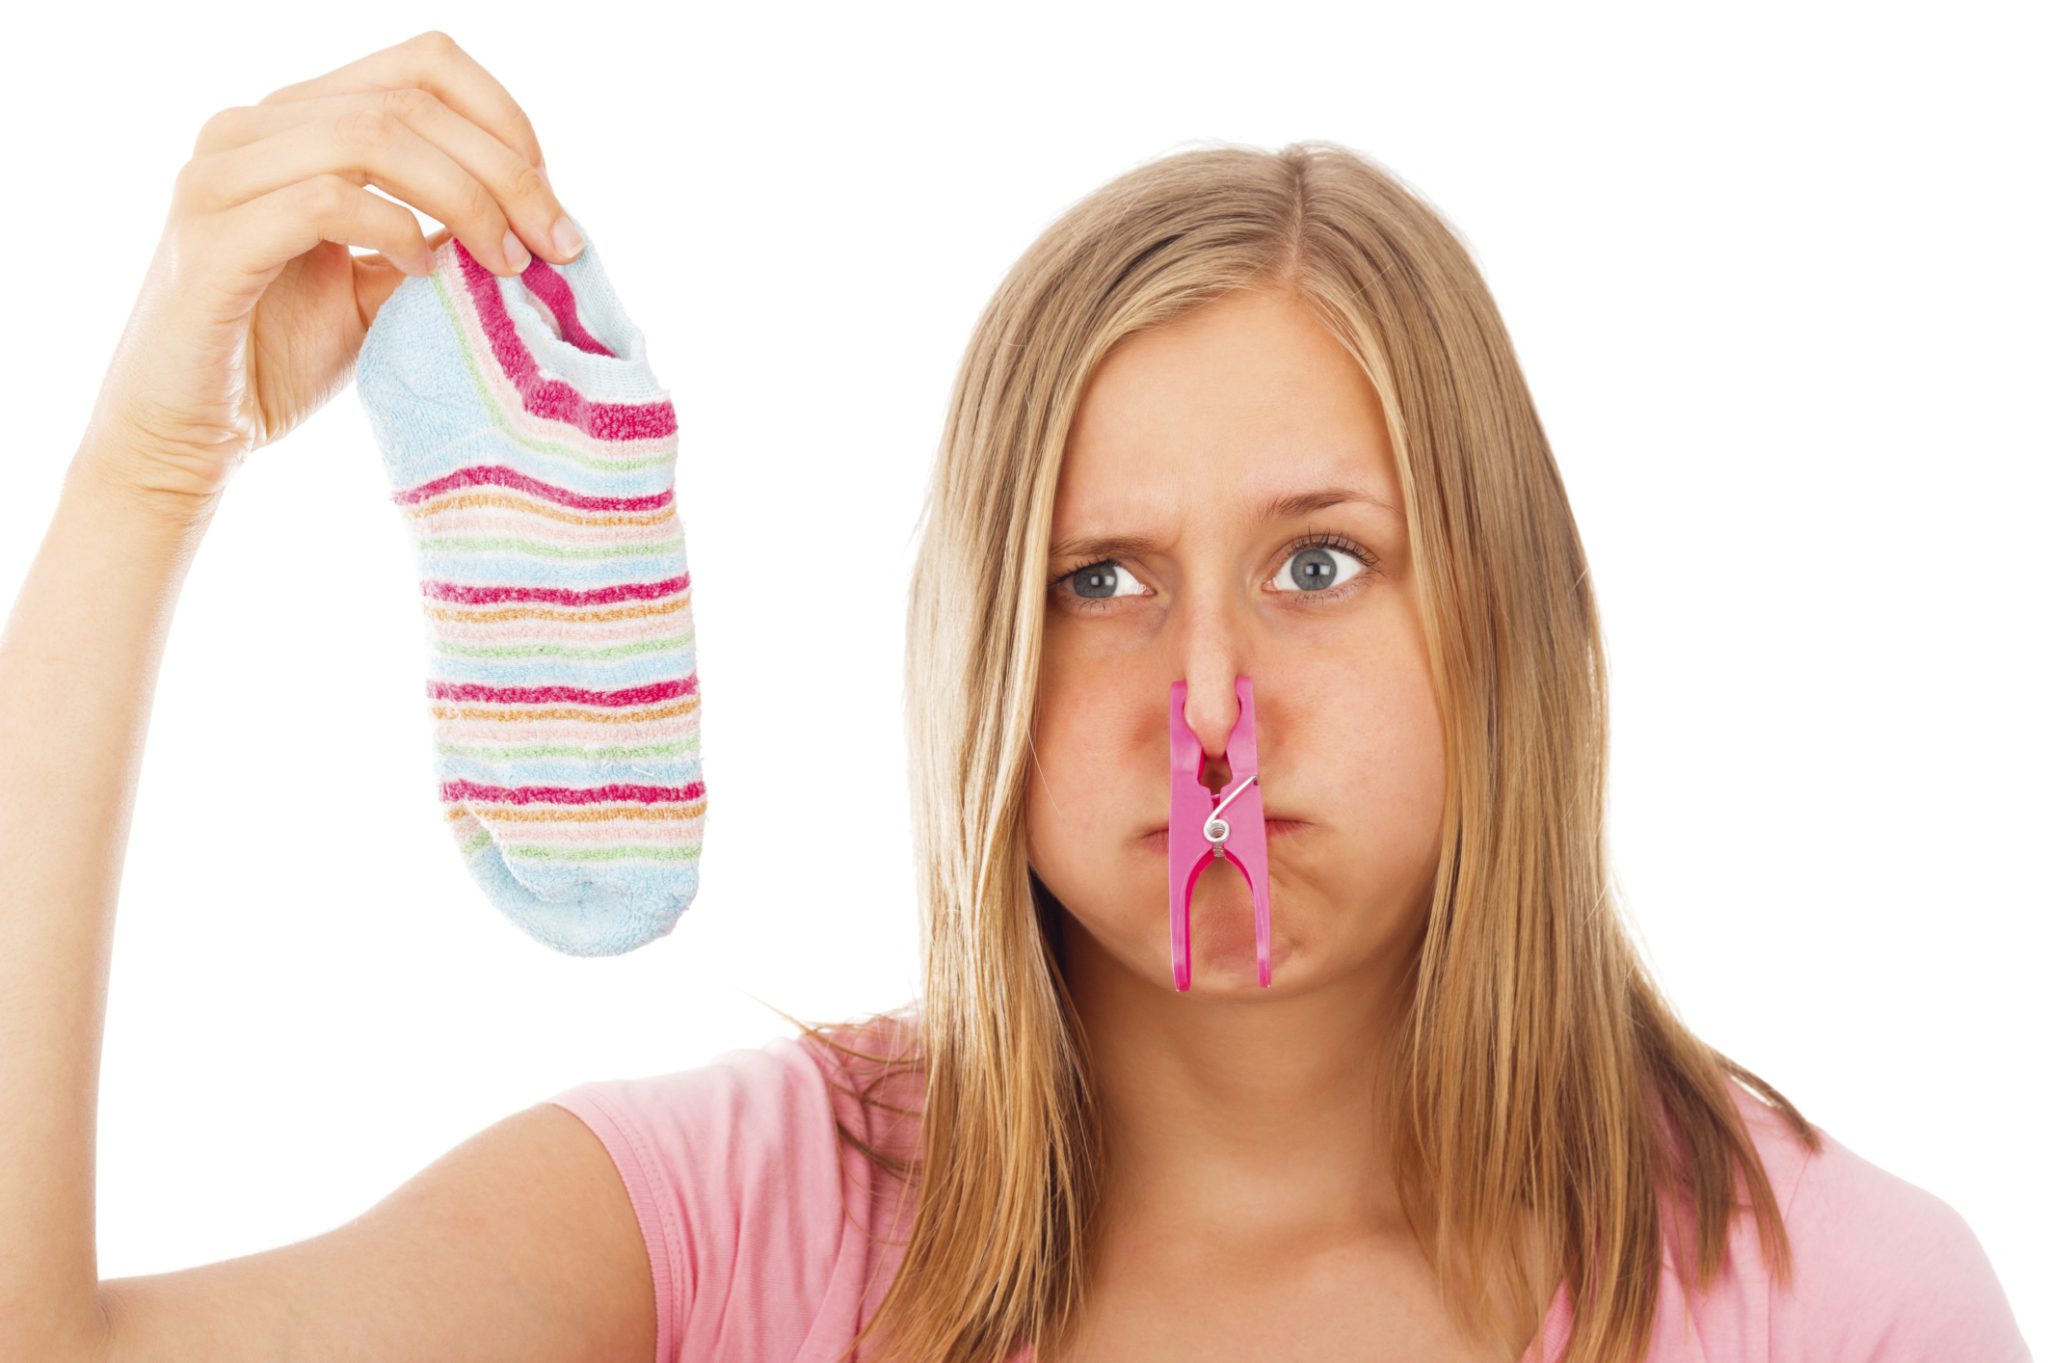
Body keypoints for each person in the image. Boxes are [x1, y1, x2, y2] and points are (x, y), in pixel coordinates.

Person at [0, 28, 2030, 1363]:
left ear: (1510, 622)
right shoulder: (735, 1215)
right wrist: (142, 473)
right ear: (979, 661)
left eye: (1319, 564)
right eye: (1100, 581)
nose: (1210, 703)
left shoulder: (1841, 1302)